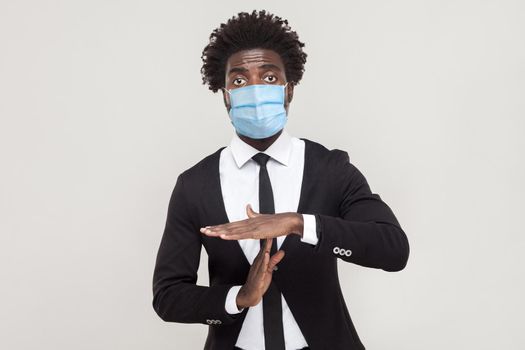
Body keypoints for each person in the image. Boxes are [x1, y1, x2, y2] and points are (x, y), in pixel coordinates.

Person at [152, 10, 410, 350]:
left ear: (289, 91)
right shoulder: (195, 185)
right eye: (240, 80)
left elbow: (393, 249)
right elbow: (168, 295)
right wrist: (238, 297)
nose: (256, 90)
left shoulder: (331, 169)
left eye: (270, 78)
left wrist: (298, 223)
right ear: (226, 94)